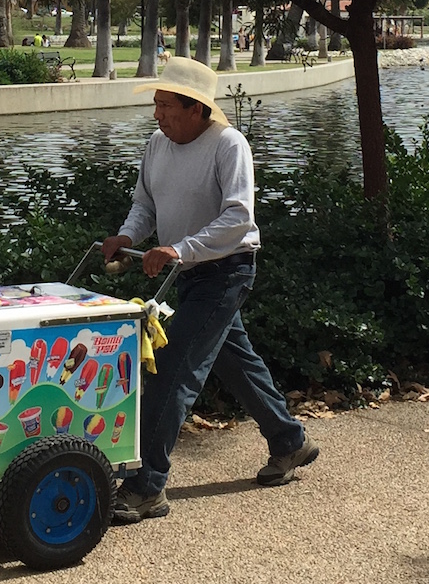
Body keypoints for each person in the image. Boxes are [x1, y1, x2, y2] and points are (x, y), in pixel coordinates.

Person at [96, 56, 317, 524]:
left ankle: (146, 487)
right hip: (187, 271)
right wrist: (127, 237)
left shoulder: (228, 145)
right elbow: (144, 205)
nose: (157, 114)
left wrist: (180, 249)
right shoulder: (158, 145)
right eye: (155, 105)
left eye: (165, 105)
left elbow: (239, 217)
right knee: (235, 362)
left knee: (173, 372)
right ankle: (290, 442)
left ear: (196, 107)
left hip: (226, 271)